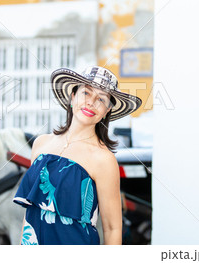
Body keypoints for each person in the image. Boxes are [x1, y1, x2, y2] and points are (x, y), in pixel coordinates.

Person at [13, 66, 142, 245]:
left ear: (106, 111)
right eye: (86, 93)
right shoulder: (41, 144)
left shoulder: (103, 160)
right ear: (72, 96)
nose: (91, 102)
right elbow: (31, 213)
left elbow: (112, 228)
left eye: (101, 99)